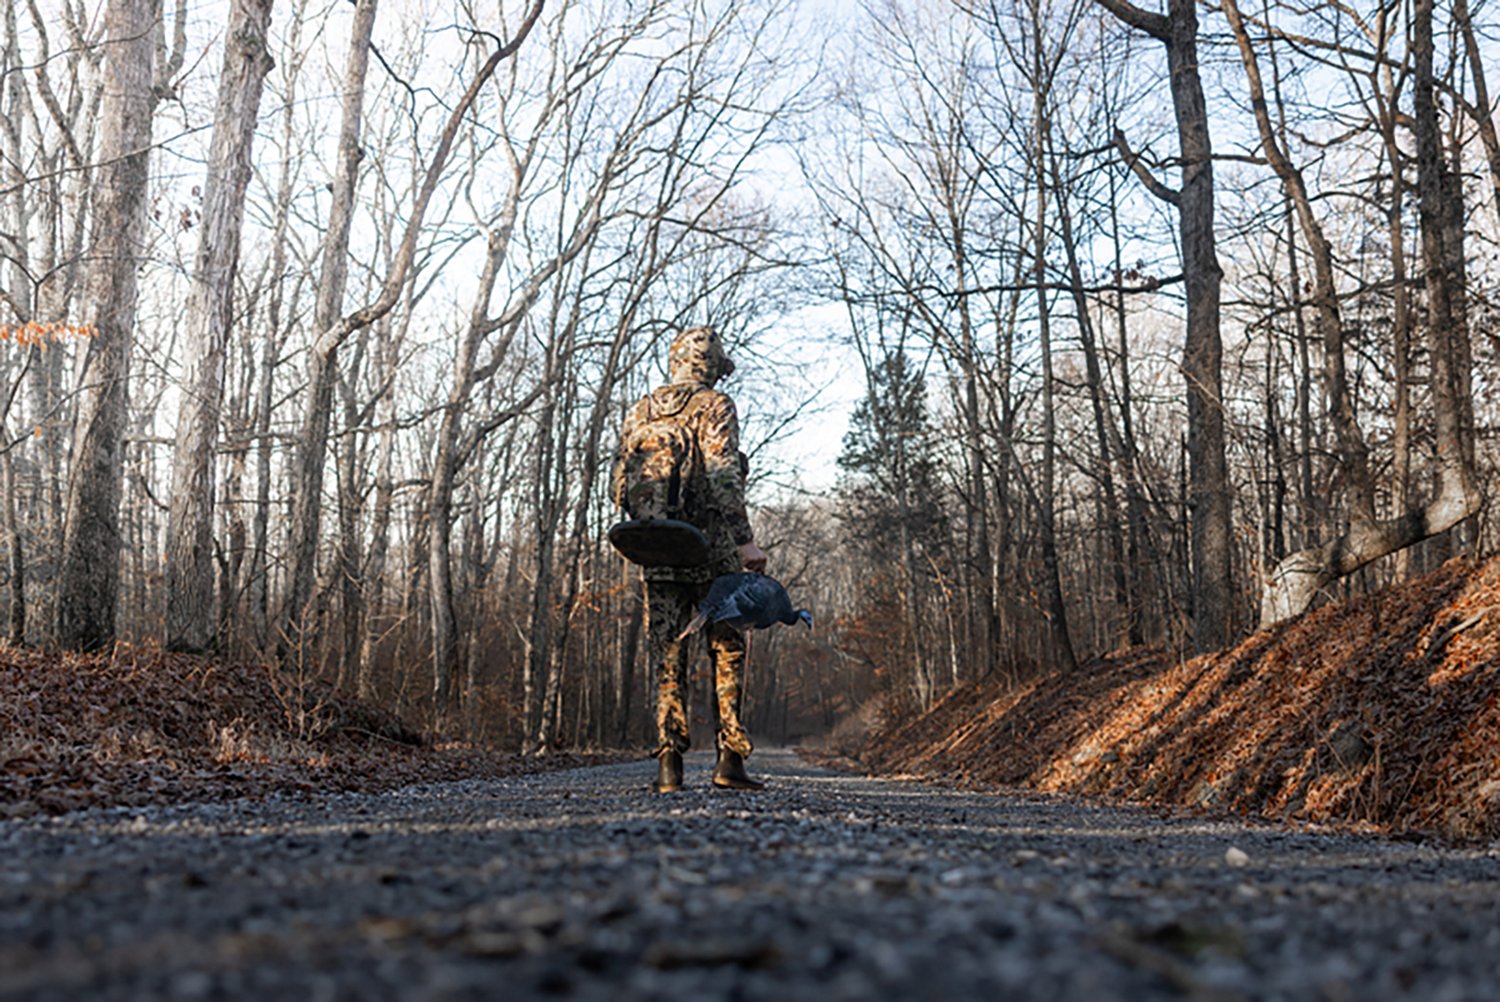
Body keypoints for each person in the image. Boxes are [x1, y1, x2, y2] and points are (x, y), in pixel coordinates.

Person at [612, 326, 768, 793]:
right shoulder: (715, 405)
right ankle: (729, 762)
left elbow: (620, 480)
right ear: (713, 366)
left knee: (667, 652)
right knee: (726, 648)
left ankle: (668, 767)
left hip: (658, 544)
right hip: (711, 548)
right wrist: (745, 542)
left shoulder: (641, 409)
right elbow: (723, 476)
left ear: (675, 360)